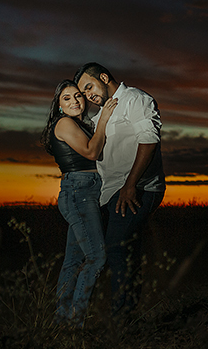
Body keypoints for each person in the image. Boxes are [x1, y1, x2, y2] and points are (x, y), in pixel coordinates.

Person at [74, 62, 165, 316]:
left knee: (115, 247)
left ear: (104, 77)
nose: (89, 95)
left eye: (90, 87)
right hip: (110, 193)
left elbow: (149, 140)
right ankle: (124, 316)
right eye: (84, 93)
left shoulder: (135, 99)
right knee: (119, 251)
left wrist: (130, 185)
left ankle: (121, 319)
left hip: (139, 188)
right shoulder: (99, 114)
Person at [40, 79, 118, 324]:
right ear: (59, 105)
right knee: (96, 258)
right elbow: (92, 152)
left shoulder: (80, 125)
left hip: (86, 191)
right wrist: (104, 119)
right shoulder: (63, 123)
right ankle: (75, 321)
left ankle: (61, 321)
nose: (75, 101)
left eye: (78, 96)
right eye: (67, 98)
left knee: (74, 261)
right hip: (78, 192)